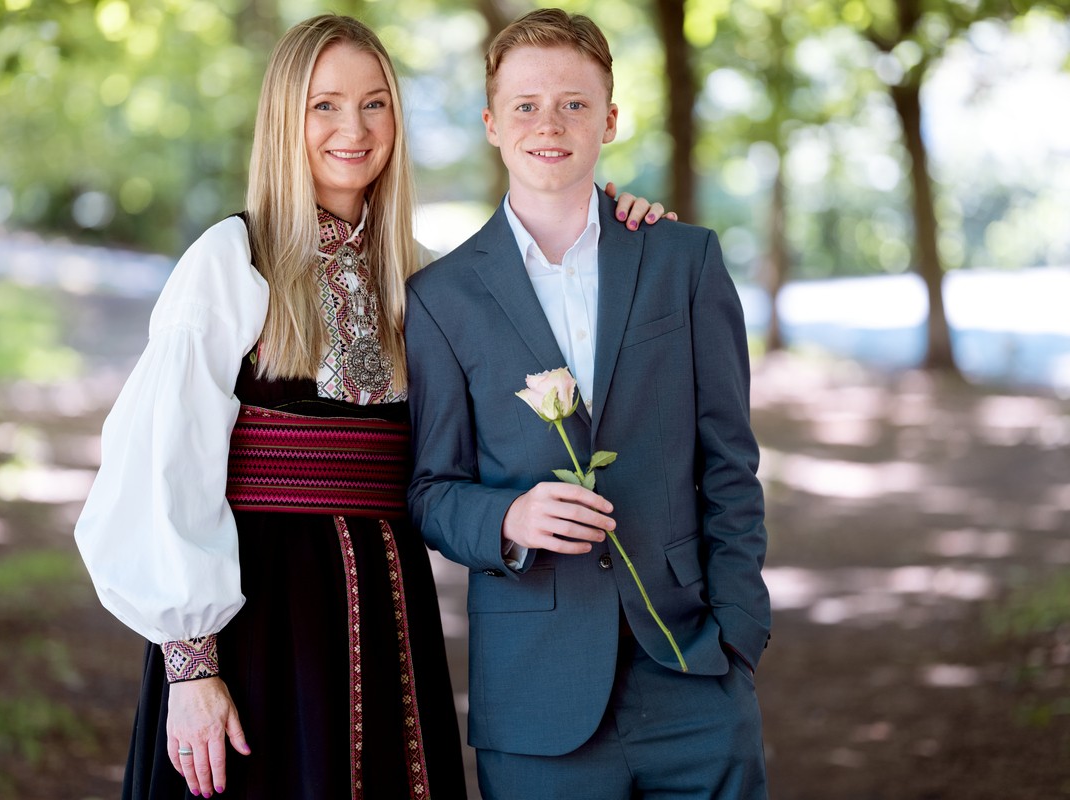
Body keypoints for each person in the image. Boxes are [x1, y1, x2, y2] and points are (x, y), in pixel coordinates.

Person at [75, 13, 670, 799]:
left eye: (374, 103)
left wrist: (611, 229)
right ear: (285, 118)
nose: (353, 128)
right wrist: (191, 666)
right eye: (324, 105)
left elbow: (528, 383)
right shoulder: (231, 260)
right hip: (261, 620)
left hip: (390, 607)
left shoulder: (419, 278)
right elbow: (162, 461)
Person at [406, 8, 772, 800]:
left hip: (693, 673)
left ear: (609, 120)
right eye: (526, 105)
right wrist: (508, 518)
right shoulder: (440, 298)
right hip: (535, 701)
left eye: (574, 103)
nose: (550, 124)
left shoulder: (684, 260)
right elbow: (432, 491)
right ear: (491, 125)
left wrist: (739, 633)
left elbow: (729, 463)